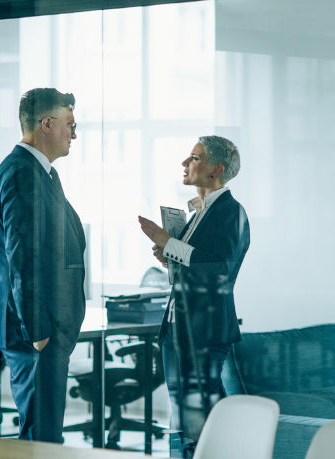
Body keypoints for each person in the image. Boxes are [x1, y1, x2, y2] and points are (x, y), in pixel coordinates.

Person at [138, 135, 250, 457]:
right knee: (183, 418)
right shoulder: (197, 214)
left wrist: (169, 243)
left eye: (195, 158)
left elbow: (221, 269)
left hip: (205, 329)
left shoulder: (233, 213)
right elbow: (194, 262)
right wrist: (168, 256)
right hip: (178, 328)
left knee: (200, 418)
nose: (185, 164)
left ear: (217, 169)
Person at [0, 88, 86, 443]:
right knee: (41, 438)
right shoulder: (21, 174)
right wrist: (39, 332)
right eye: (70, 125)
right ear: (47, 124)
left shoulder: (41, 174)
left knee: (45, 435)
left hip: (42, 331)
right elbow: (23, 260)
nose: (74, 134)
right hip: (35, 333)